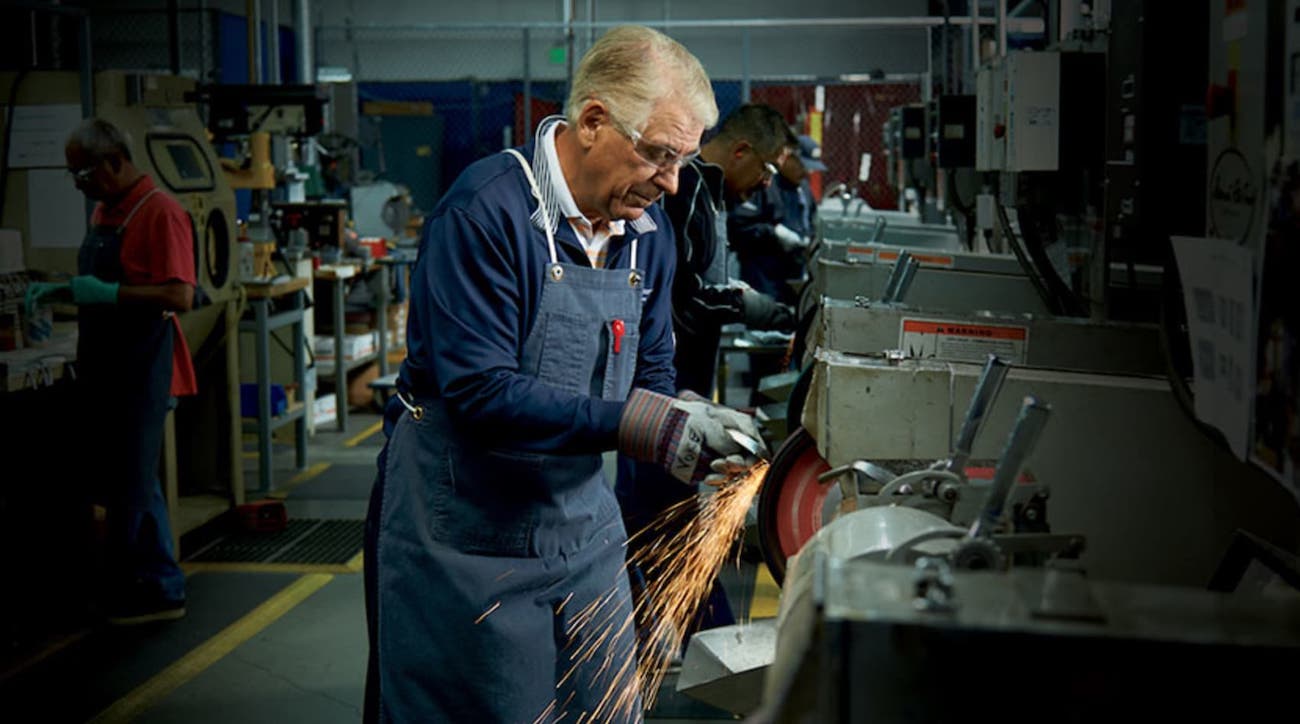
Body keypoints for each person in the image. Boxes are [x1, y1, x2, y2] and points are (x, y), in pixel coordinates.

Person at [363, 25, 764, 723]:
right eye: (660, 155)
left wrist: (698, 428)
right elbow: (481, 394)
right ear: (593, 121)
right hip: (465, 533)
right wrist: (651, 424)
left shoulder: (647, 230)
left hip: (581, 530)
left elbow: (655, 370)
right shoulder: (486, 213)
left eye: (683, 161)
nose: (671, 184)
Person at [614, 104, 796, 648]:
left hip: (680, 382)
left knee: (652, 510)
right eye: (764, 168)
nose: (766, 182)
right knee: (663, 514)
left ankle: (640, 632)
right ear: (739, 151)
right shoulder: (687, 187)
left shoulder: (712, 193)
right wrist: (753, 306)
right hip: (664, 384)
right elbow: (687, 299)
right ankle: (708, 641)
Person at [28, 118, 196, 625]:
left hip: (143, 363)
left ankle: (148, 591)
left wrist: (108, 294)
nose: (80, 184)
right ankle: (158, 579)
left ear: (115, 161)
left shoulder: (160, 211)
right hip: (107, 361)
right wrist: (65, 289)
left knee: (132, 483)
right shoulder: (107, 210)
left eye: (83, 174)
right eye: (73, 176)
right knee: (133, 480)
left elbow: (179, 295)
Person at [730, 133, 825, 306]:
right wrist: (774, 233)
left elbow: (810, 220)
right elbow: (739, 224)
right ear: (787, 158)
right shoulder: (765, 185)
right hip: (763, 276)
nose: (806, 172)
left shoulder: (803, 189)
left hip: (793, 275)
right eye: (802, 166)